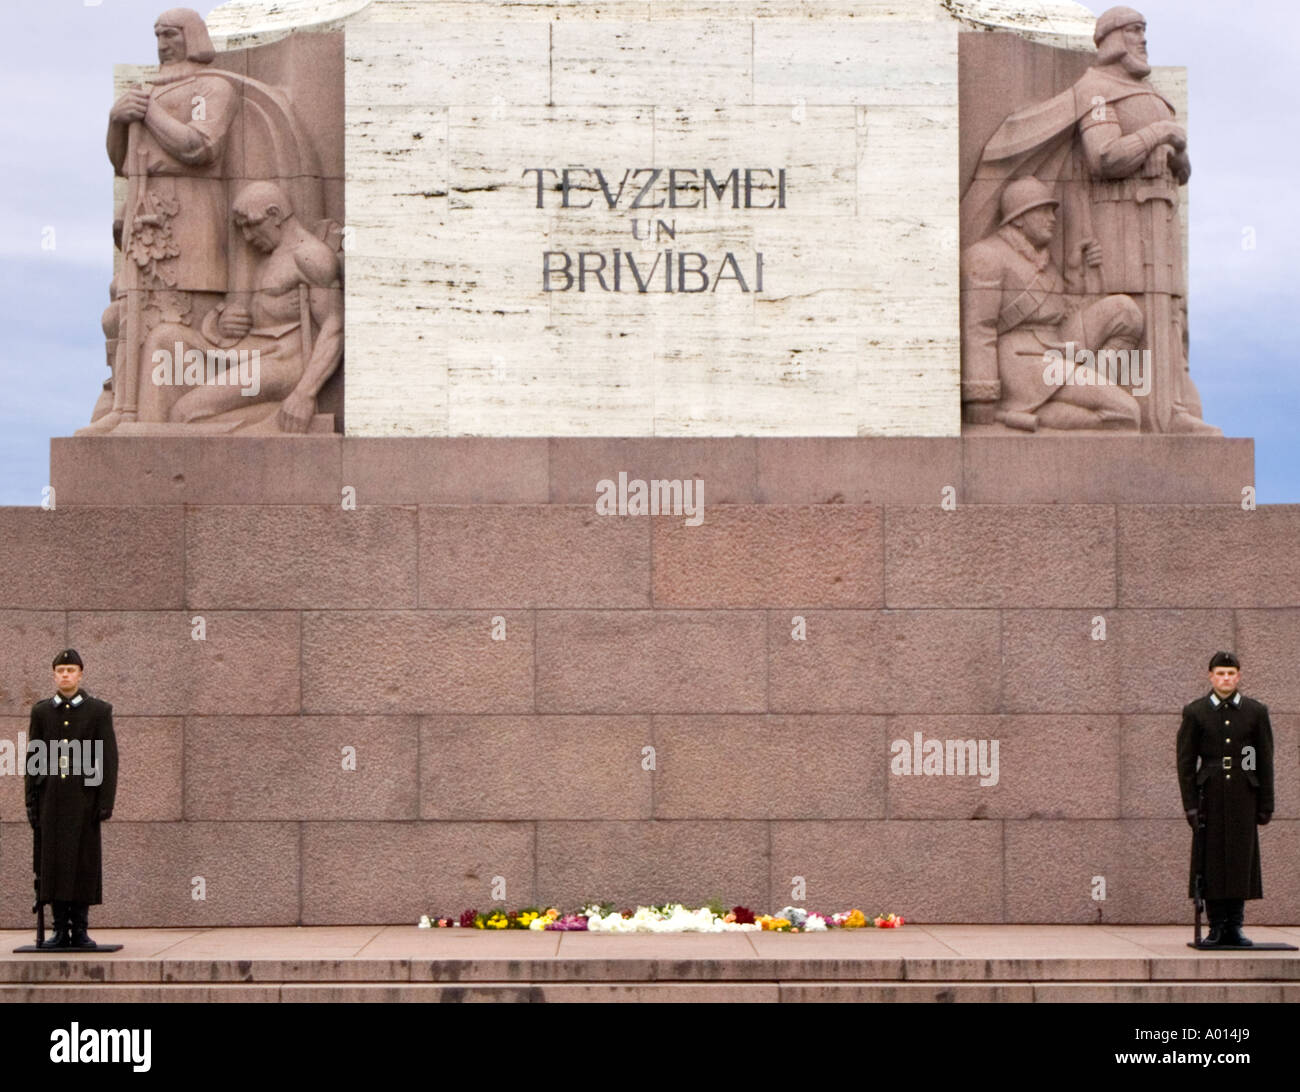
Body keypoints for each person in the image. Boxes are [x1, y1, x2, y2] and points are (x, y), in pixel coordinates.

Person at [961, 177, 1144, 430]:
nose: (1052, 218)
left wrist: (1075, 271)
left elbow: (1061, 313)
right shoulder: (986, 256)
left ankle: (1093, 384)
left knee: (1126, 312)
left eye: (1052, 211)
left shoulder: (1043, 260)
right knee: (1127, 413)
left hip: (1056, 345)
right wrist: (980, 397)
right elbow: (979, 328)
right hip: (1021, 362)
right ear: (1018, 218)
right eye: (1042, 211)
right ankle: (1032, 412)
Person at [1176, 651, 1274, 946]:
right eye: (1220, 673)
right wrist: (1191, 804)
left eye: (1231, 674)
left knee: (1240, 860)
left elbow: (1259, 758)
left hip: (1243, 795)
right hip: (1211, 796)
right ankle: (1216, 925)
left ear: (1239, 676)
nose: (1225, 679)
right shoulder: (1196, 712)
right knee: (1213, 860)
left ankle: (1235, 925)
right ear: (1210, 676)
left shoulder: (1255, 712)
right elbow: (1185, 762)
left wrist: (1265, 801)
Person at [24, 650, 119, 950]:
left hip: (84, 801)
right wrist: (32, 803)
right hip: (51, 801)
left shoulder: (98, 711)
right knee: (51, 864)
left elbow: (107, 758)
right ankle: (58, 929)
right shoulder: (42, 713)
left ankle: (79, 928)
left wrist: (104, 800)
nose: (65, 675)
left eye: (71, 670)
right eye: (60, 670)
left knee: (82, 864)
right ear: (54, 675)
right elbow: (34, 760)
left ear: (81, 674)